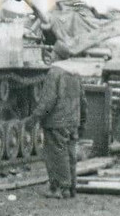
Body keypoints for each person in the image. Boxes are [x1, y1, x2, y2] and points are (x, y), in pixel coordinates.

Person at [26, 42, 86, 198]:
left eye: (52, 53)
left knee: (56, 154)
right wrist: (82, 121)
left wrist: (35, 117)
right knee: (70, 154)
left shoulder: (55, 73)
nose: (50, 55)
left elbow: (48, 100)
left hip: (57, 121)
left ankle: (60, 188)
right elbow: (83, 100)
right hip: (72, 120)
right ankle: (71, 187)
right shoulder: (75, 73)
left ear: (57, 55)